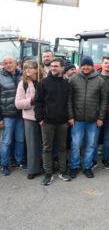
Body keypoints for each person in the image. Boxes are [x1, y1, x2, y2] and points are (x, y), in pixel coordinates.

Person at [68, 56, 107, 179]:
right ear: (80, 66)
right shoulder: (73, 79)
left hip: (93, 120)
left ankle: (87, 167)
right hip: (77, 119)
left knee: (91, 144)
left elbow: (104, 101)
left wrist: (100, 117)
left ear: (92, 66)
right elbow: (68, 100)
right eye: (83, 65)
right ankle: (74, 166)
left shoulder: (100, 80)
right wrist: (70, 116)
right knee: (76, 144)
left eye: (88, 65)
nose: (85, 67)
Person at [34, 57, 71, 185]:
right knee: (47, 148)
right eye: (52, 66)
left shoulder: (66, 84)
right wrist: (40, 119)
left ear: (62, 67)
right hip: (47, 122)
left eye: (56, 66)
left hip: (62, 122)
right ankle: (48, 173)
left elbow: (68, 102)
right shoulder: (43, 83)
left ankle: (62, 171)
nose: (53, 68)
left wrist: (68, 119)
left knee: (62, 147)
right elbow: (37, 102)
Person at [15, 60, 45, 179]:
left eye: (30, 67)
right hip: (30, 118)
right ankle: (33, 169)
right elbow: (18, 103)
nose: (27, 70)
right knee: (32, 144)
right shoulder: (23, 84)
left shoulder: (44, 81)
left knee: (46, 144)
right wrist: (32, 101)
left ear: (37, 69)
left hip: (44, 117)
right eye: (25, 68)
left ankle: (47, 166)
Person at [93, 55, 109, 169]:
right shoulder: (94, 76)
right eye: (105, 63)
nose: (107, 65)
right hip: (96, 112)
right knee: (94, 138)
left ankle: (105, 159)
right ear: (102, 64)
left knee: (107, 138)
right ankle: (93, 160)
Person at [0, 56, 24, 175]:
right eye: (5, 63)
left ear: (16, 63)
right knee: (6, 141)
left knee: (20, 139)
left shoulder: (22, 75)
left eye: (10, 62)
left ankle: (19, 161)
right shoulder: (0, 77)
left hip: (20, 113)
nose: (8, 65)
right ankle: (4, 164)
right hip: (7, 114)